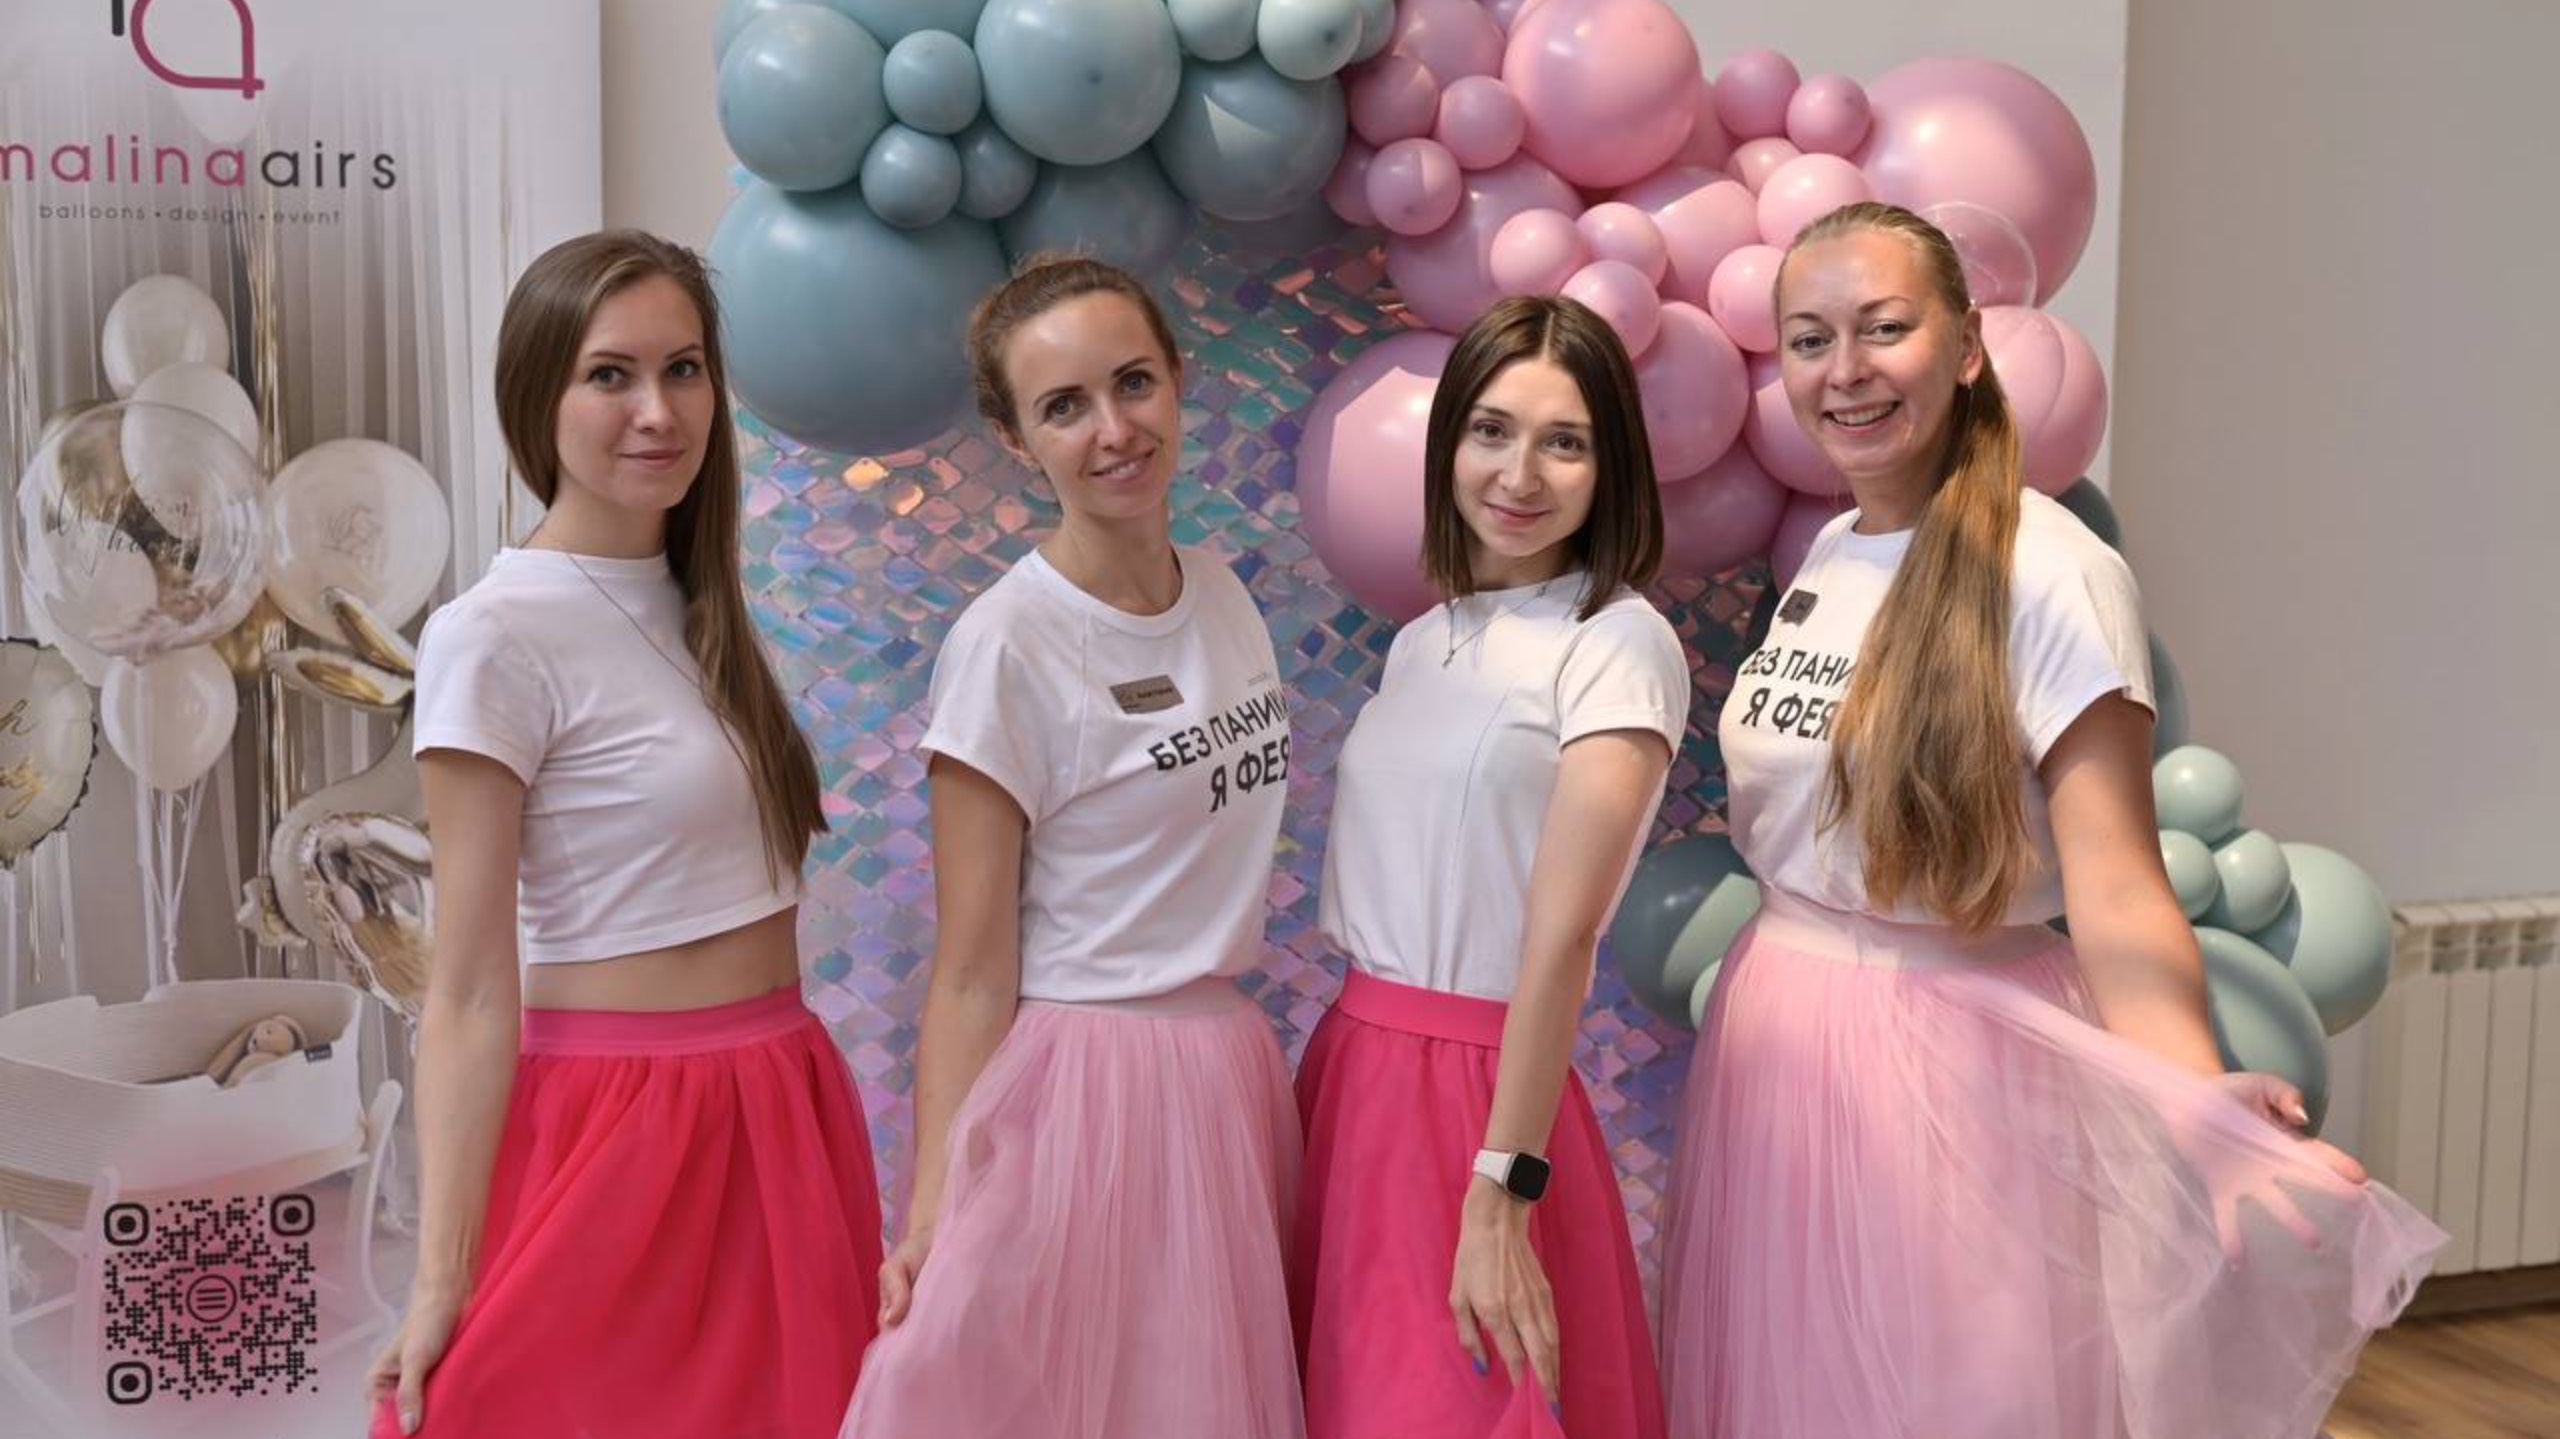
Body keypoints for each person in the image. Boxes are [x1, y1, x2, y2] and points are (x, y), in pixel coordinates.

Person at [1658, 201, 2444, 1439]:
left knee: (1956, 1401)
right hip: (1781, 1044)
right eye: (1809, 340)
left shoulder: (2054, 571)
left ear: (1967, 346)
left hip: (1954, 1072)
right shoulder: (1831, 556)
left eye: (1883, 328)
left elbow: (2116, 882)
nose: (1844, 369)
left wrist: (2196, 1106)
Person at [369, 230, 882, 1439]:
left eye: (683, 368)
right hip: (623, 1126)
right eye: (610, 374)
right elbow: (468, 987)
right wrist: (439, 1275)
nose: (659, 410)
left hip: (777, 1096)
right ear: (536, 396)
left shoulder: (705, 609)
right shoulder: (493, 632)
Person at [839, 255, 1304, 1439]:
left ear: (1177, 379)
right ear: (1015, 437)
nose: (1113, 430)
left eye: (1132, 383)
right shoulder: (1008, 645)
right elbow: (968, 969)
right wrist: (932, 1208)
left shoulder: (1223, 592)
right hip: (1084, 1088)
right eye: (1064, 406)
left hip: (1225, 1074)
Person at [1294, 295, 1683, 1439]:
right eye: (1492, 430)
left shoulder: (1617, 640)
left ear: (1610, 468)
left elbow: (1560, 936)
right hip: (1352, 1075)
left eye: (1564, 442)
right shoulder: (1424, 639)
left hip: (1481, 1094)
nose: (1520, 473)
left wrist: (1503, 1185)